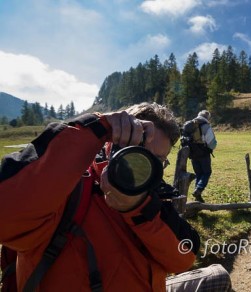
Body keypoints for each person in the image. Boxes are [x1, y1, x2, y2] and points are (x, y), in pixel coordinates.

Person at [0, 102, 231, 291]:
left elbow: (184, 257)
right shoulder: (65, 191)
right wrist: (97, 126)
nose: (144, 165)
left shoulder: (154, 197)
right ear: (110, 144)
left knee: (218, 276)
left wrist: (139, 210)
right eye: (137, 151)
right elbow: (7, 211)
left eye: (157, 161)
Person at [188, 110, 217, 203]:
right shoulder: (206, 126)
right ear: (207, 117)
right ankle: (199, 189)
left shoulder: (190, 125)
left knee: (198, 174)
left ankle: (197, 196)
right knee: (207, 172)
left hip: (192, 153)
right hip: (203, 153)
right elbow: (212, 143)